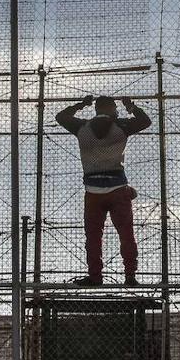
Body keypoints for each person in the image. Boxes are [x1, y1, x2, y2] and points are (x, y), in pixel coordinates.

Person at [56, 94, 152, 286]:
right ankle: (130, 276)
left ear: (97, 109)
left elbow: (61, 117)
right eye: (115, 108)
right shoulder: (122, 126)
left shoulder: (81, 127)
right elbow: (145, 121)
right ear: (111, 110)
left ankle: (95, 277)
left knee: (93, 236)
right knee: (126, 234)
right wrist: (130, 106)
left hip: (93, 191)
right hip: (118, 189)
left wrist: (81, 104)